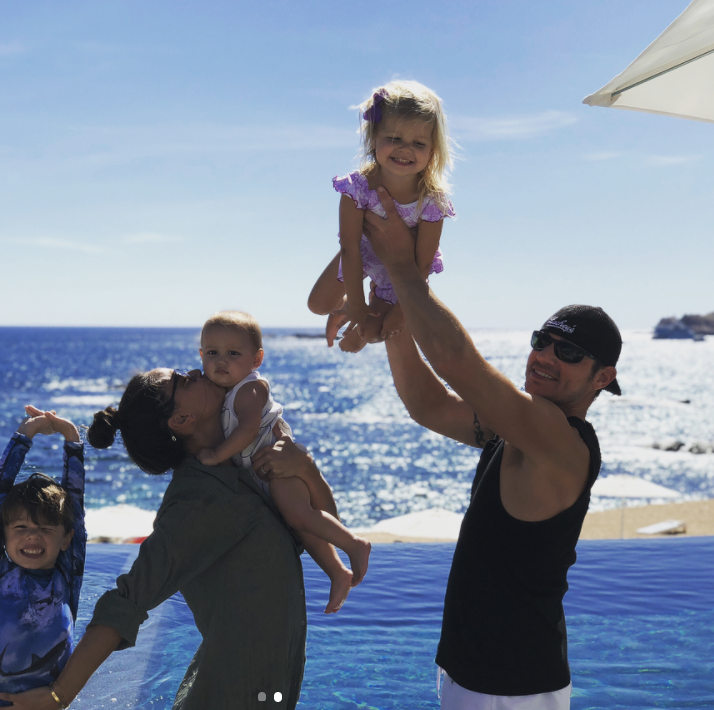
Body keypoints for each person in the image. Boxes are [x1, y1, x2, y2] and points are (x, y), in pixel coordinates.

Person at [356, 187, 621, 708]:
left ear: (602, 378)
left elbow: (456, 362)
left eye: (568, 352)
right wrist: (392, 309)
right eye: (540, 341)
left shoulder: (562, 442)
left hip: (516, 687)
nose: (545, 356)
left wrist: (403, 267)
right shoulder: (513, 428)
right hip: (470, 671)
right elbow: (428, 404)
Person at [0, 367, 333, 710]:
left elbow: (316, 530)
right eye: (183, 380)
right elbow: (127, 599)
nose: (198, 370)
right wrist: (58, 696)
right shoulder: (198, 499)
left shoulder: (245, 469)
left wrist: (307, 470)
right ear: (181, 420)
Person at [195, 310, 371, 612]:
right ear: (200, 355)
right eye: (212, 353)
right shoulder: (226, 390)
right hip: (266, 472)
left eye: (233, 353)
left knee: (302, 516)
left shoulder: (250, 388)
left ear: (256, 359)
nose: (221, 361)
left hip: (279, 469)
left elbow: (249, 429)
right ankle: (337, 571)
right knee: (302, 525)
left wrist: (215, 455)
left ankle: (354, 544)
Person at [307, 79, 456, 352]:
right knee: (318, 305)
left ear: (433, 151)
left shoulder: (432, 200)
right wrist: (357, 302)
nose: (405, 149)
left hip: (402, 266)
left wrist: (400, 311)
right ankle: (347, 307)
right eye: (394, 138)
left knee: (373, 333)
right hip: (362, 252)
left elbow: (421, 265)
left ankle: (358, 329)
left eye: (418, 143)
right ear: (374, 138)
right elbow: (350, 248)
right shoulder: (357, 188)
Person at [0, 406, 85, 710]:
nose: (32, 536)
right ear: (3, 534)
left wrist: (72, 438)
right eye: (20, 527)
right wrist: (23, 436)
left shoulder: (67, 575)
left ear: (66, 539)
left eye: (45, 528)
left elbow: (74, 504)